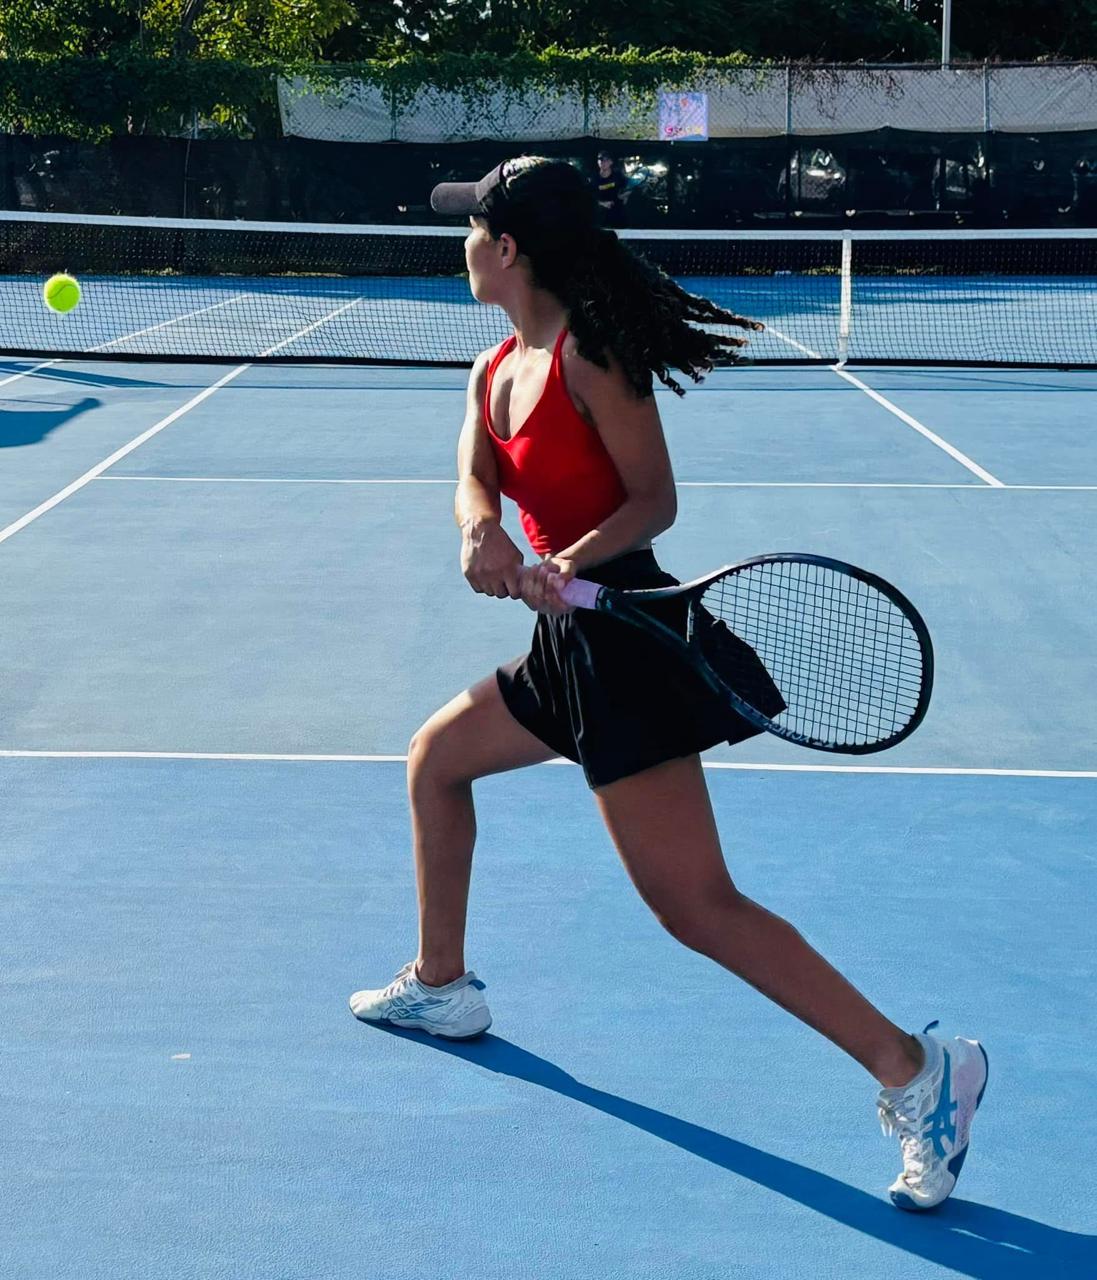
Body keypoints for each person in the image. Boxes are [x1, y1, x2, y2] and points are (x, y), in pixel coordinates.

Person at [349, 156, 988, 1213]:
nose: (459, 244)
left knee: (694, 905)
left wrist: (566, 559)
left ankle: (918, 1068)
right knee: (437, 761)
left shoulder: (592, 358)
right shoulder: (494, 363)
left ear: (506, 249)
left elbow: (654, 500)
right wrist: (480, 529)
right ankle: (441, 985)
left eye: (471, 229)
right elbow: (474, 471)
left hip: (626, 639)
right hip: (568, 642)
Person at [594, 149, 628, 226]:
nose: (603, 162)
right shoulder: (594, 178)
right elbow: (589, 197)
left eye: (606, 159)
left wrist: (625, 196)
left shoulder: (618, 176)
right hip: (601, 216)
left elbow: (628, 189)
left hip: (619, 214)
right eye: (600, 159)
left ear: (611, 162)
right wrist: (602, 204)